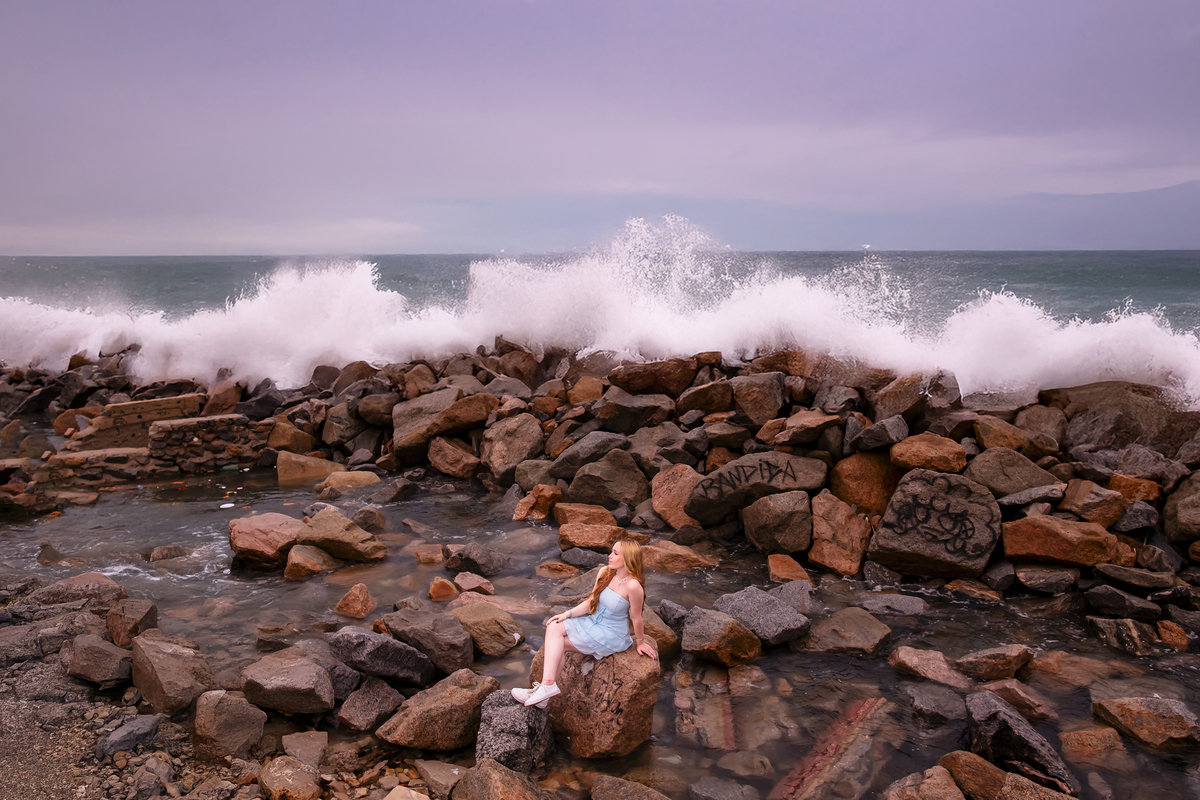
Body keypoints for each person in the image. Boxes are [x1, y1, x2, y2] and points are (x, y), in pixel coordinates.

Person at [513, 539, 659, 708]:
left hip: (611, 634)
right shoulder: (605, 572)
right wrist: (567, 614)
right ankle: (546, 688)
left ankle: (545, 690)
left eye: (615, 553)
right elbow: (591, 602)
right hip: (592, 623)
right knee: (554, 625)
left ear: (628, 558)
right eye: (611, 551)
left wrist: (640, 642)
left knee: (560, 644)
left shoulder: (633, 586)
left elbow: (636, 617)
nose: (609, 556)